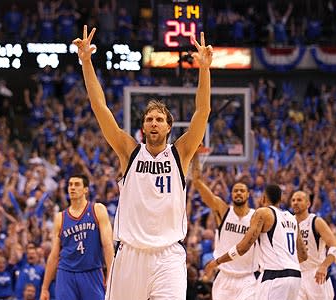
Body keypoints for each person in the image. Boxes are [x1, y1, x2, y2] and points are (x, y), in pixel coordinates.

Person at [73, 26, 212, 299]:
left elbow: (202, 110)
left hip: (169, 254)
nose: (154, 123)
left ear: (169, 127)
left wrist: (204, 69)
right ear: (143, 127)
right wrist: (86, 62)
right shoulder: (129, 151)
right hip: (131, 253)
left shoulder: (180, 153)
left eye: (159, 119)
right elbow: (100, 108)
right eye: (149, 119)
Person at [210, 184, 308, 300]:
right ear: (281, 199)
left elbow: (242, 248)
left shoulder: (263, 213)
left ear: (264, 198)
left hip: (274, 276)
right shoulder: (292, 218)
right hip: (295, 276)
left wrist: (218, 261)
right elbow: (303, 255)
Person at [191, 153, 258, 300]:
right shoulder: (223, 211)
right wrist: (195, 154)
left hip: (248, 278)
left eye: (242, 191)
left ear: (248, 195)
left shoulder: (256, 216)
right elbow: (197, 183)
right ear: (231, 195)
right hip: (224, 276)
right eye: (235, 190)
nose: (238, 193)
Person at [40, 174, 114, 300]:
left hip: (92, 271)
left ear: (86, 189)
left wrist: (112, 276)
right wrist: (45, 288)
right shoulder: (60, 218)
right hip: (66, 273)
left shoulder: (98, 209)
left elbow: (108, 246)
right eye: (70, 185)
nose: (72, 188)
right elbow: (54, 255)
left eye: (77, 184)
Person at [291, 190, 336, 300]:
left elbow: (335, 246)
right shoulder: (288, 222)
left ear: (308, 204)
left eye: (299, 200)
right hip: (297, 275)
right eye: (293, 200)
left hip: (316, 274)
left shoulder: (316, 221)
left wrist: (324, 266)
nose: (295, 203)